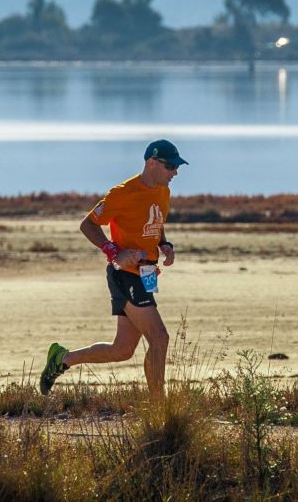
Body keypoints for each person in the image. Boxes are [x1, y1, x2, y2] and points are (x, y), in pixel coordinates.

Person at [39, 139, 188, 400]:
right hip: (125, 275)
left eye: (177, 166)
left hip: (145, 274)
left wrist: (164, 244)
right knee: (160, 338)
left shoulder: (163, 191)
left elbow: (156, 221)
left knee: (122, 350)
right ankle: (158, 408)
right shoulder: (122, 193)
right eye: (170, 166)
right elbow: (88, 224)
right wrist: (115, 252)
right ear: (151, 162)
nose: (175, 171)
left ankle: (62, 359)